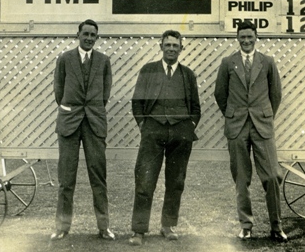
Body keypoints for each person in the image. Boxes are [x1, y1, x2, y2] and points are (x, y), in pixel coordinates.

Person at [214, 21, 287, 242]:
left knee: (272, 176)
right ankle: (246, 225)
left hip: (262, 126)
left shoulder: (268, 62)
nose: (246, 41)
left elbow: (276, 94)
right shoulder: (228, 63)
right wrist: (234, 114)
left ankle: (276, 226)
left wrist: (264, 115)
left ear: (256, 37)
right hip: (237, 127)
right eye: (242, 37)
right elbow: (220, 94)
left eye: (250, 36)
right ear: (237, 38)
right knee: (241, 178)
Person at [129, 30, 201, 246]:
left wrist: (189, 126)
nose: (171, 48)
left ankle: (168, 225)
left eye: (175, 45)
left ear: (181, 48)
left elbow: (196, 107)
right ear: (161, 46)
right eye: (167, 45)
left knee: (176, 181)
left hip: (180, 134)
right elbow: (137, 102)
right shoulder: (148, 70)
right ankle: (139, 230)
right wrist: (144, 125)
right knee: (144, 181)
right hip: (153, 132)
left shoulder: (188, 74)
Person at [50, 19, 115, 241]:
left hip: (94, 123)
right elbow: (58, 91)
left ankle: (104, 227)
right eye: (85, 33)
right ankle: (62, 227)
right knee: (66, 179)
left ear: (97, 38)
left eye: (93, 35)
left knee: (99, 177)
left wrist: (92, 110)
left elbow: (105, 93)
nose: (88, 38)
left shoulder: (104, 61)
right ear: (78, 35)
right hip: (69, 123)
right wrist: (72, 109)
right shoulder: (65, 59)